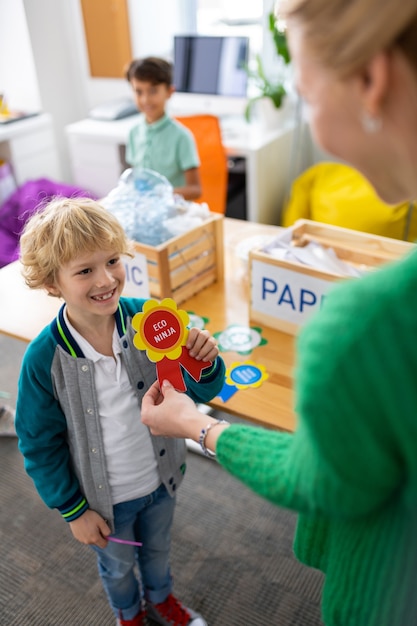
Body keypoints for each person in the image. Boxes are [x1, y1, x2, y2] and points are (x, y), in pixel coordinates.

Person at [141, 1, 417, 625]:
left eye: (304, 88)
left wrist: (197, 424)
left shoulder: (365, 327)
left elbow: (318, 478)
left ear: (371, 79)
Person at [15, 198, 225, 626]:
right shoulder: (43, 360)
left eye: (112, 260)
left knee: (160, 551)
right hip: (102, 502)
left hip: (160, 479)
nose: (107, 278)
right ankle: (128, 616)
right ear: (53, 283)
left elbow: (195, 388)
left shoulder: (148, 321)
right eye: (85, 270)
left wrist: (204, 360)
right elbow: (39, 444)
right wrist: (73, 510)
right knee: (116, 567)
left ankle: (162, 598)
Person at [124, 57, 202, 200]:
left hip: (173, 212)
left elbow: (195, 190)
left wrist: (160, 194)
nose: (145, 100)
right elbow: (134, 178)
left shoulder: (181, 137)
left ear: (169, 92)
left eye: (153, 91)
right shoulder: (133, 133)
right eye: (138, 92)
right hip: (144, 209)